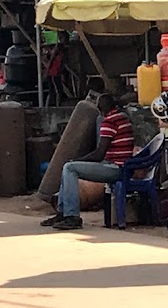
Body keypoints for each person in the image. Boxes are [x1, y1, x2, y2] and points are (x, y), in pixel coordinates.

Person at [43, 94, 134, 232]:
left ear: (99, 108)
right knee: (68, 168)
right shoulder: (123, 117)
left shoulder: (109, 122)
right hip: (122, 166)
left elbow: (99, 154)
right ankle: (62, 213)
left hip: (115, 168)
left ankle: (72, 216)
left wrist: (78, 160)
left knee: (70, 168)